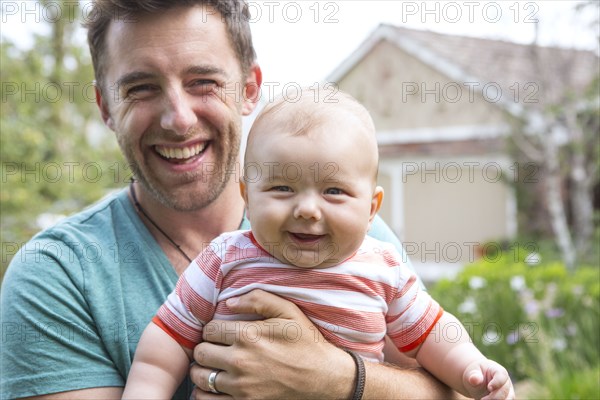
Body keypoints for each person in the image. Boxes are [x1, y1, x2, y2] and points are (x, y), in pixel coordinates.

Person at [1, 1, 464, 399]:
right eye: (141, 87)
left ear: (249, 89)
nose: (178, 119)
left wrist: (338, 377)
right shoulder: (58, 272)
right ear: (105, 106)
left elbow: (456, 388)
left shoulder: (346, 231)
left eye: (203, 81)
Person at [122, 89, 514, 400]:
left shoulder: (383, 267)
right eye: (281, 188)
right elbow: (166, 340)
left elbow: (432, 334)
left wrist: (472, 369)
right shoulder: (225, 258)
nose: (307, 209)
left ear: (371, 207)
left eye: (333, 191)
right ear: (248, 195)